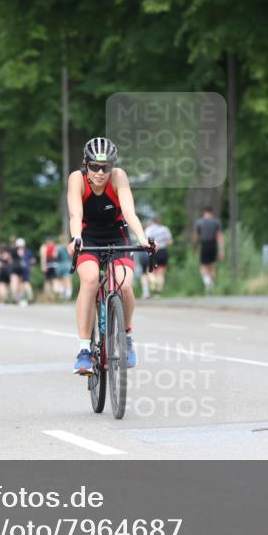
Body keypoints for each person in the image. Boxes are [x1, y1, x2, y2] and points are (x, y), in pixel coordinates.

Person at [66, 136, 151, 375]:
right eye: (94, 166)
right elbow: (75, 214)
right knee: (91, 279)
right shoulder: (77, 179)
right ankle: (84, 349)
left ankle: (127, 336)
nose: (100, 172)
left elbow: (129, 212)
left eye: (105, 167)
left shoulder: (118, 177)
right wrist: (76, 239)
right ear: (86, 164)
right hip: (86, 235)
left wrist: (142, 239)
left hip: (116, 234)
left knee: (124, 284)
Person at [194, 207, 224, 293]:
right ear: (212, 213)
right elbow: (219, 236)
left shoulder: (199, 222)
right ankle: (212, 286)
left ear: (204, 213)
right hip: (213, 244)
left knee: (203, 266)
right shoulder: (216, 222)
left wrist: (195, 248)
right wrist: (221, 250)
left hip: (204, 244)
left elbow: (196, 236)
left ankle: (207, 282)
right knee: (212, 266)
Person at [144, 215, 174, 296]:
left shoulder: (148, 230)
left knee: (149, 270)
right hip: (163, 251)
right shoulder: (165, 229)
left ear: (152, 221)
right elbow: (170, 242)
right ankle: (158, 292)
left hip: (153, 251)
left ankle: (153, 282)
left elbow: (145, 241)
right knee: (161, 273)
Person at [10, 237, 35, 306]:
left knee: (15, 282)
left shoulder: (14, 250)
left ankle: (16, 297)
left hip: (16, 267)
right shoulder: (28, 251)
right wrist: (30, 266)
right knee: (24, 282)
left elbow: (10, 259)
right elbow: (33, 260)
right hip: (24, 268)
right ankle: (29, 297)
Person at [39, 237, 64, 301]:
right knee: (55, 280)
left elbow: (43, 257)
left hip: (48, 265)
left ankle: (50, 296)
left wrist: (43, 265)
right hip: (55, 265)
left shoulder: (44, 247)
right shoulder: (56, 247)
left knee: (48, 281)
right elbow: (56, 256)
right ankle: (57, 294)